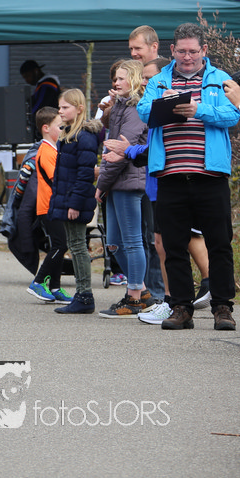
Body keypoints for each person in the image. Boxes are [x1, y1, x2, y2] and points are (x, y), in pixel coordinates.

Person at [137, 23, 237, 331]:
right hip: (171, 175)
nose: (188, 57)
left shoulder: (220, 79)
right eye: (182, 51)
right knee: (173, 245)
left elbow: (233, 115)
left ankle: (222, 307)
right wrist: (165, 104)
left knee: (219, 244)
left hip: (210, 176)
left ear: (204, 50)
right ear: (172, 51)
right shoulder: (159, 80)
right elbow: (143, 112)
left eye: (193, 51)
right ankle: (181, 307)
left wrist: (198, 110)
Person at [95, 60, 152, 319]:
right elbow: (108, 146)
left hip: (129, 181)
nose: (115, 82)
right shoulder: (119, 106)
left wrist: (101, 184)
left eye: (121, 78)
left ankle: (134, 296)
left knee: (132, 241)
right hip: (115, 181)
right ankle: (143, 292)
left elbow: (120, 152)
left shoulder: (137, 109)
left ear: (135, 79)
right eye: (115, 78)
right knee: (115, 244)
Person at [50, 89, 101, 315]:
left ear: (79, 109)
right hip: (67, 198)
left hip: (75, 201)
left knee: (78, 246)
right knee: (74, 244)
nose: (60, 111)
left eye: (65, 107)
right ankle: (82, 295)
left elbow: (85, 174)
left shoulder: (84, 137)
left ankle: (84, 295)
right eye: (59, 107)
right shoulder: (68, 135)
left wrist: (74, 203)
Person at [25, 107, 72, 303]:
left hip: (54, 205)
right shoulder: (45, 151)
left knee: (59, 245)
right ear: (46, 128)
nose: (63, 130)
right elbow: (57, 178)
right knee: (60, 245)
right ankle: (38, 281)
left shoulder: (54, 149)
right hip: (49, 206)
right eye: (60, 127)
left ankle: (54, 286)